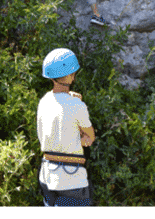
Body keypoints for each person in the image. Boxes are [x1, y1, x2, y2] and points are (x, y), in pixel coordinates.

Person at [37, 48, 96, 206]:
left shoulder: (44, 101)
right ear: (71, 75)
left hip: (46, 174)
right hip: (71, 178)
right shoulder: (77, 105)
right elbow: (90, 137)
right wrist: (80, 140)